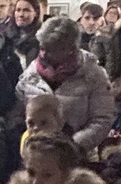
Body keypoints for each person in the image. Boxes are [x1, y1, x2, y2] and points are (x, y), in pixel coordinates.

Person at [15, 15, 115, 155]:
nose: (44, 54)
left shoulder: (93, 75)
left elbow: (102, 119)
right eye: (42, 47)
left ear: (71, 49)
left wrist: (71, 146)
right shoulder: (31, 74)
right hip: (37, 153)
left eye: (52, 49)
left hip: (78, 154)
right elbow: (18, 113)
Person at [19, 91, 66, 159]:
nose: (36, 128)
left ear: (60, 123)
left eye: (44, 123)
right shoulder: (26, 139)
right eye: (31, 123)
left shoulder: (66, 144)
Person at [5, 0, 42, 74]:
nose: (21, 14)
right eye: (18, 10)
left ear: (36, 13)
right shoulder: (7, 36)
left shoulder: (41, 39)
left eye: (26, 10)